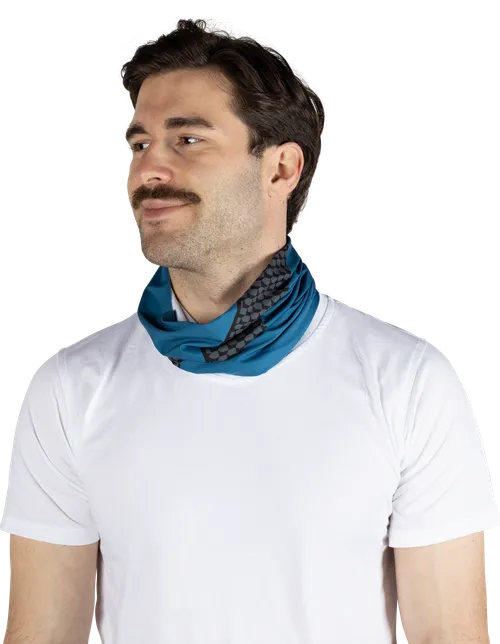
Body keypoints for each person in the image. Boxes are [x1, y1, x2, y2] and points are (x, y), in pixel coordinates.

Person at [1, 18, 497, 644]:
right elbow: (44, 635)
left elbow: (448, 635)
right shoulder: (72, 386)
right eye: (139, 143)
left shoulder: (407, 382)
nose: (148, 168)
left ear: (281, 169)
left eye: (187, 139)